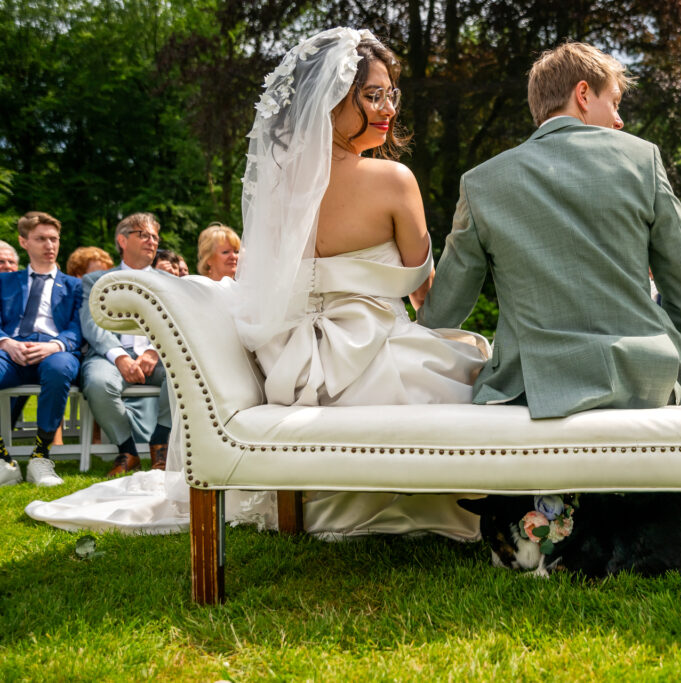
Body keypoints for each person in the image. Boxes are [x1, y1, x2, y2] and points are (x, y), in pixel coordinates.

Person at [27, 28, 487, 539]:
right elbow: (426, 293)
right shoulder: (394, 181)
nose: (388, 109)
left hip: (286, 365)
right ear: (331, 102)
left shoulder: (274, 189)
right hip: (368, 350)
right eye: (372, 95)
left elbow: (262, 284)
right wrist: (437, 334)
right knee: (474, 374)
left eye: (390, 94)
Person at [419, 42, 681, 418]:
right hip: (646, 379)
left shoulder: (481, 183)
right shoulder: (642, 159)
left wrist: (414, 283)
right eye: (615, 102)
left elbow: (444, 313)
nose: (619, 120)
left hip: (531, 388)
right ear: (583, 94)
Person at [79, 212, 173, 475]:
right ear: (122, 240)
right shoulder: (95, 281)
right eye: (143, 234)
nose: (151, 241)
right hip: (109, 355)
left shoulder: (171, 283)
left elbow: (174, 325)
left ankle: (160, 443)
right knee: (98, 382)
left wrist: (155, 351)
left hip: (159, 356)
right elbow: (91, 324)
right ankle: (128, 450)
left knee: (184, 377)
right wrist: (120, 357)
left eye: (155, 236)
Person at [0, 212, 83, 487]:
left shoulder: (75, 286)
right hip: (11, 351)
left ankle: (40, 456)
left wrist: (54, 345)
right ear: (24, 242)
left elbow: (77, 327)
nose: (50, 245)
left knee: (60, 367)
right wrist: (6, 342)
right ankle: (4, 460)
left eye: (54, 239)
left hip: (54, 351)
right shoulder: (5, 281)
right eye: (41, 239)